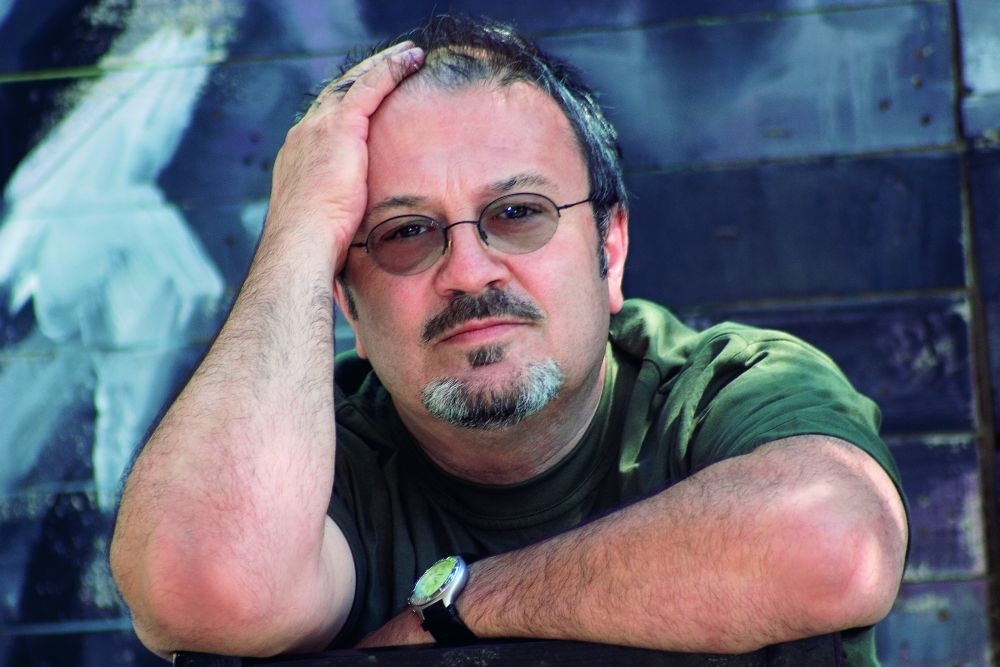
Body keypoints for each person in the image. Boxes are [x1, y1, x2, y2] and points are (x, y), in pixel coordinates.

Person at [109, 14, 908, 666]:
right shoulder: (319, 473)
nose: (467, 269)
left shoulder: (727, 392)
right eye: (405, 231)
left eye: (518, 212)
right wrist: (300, 228)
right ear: (347, 302)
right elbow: (201, 585)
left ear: (609, 250)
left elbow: (834, 545)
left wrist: (457, 607)